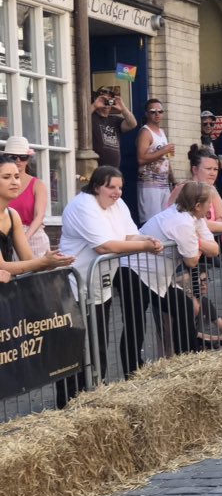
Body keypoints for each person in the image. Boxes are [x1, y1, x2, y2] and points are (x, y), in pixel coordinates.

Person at [57, 165, 163, 399]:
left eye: (120, 188)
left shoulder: (117, 205)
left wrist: (148, 239)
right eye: (111, 187)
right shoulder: (84, 205)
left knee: (100, 341)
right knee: (77, 347)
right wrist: (145, 247)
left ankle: (97, 391)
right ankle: (71, 400)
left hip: (101, 283)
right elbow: (105, 246)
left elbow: (128, 235)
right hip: (75, 285)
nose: (116, 192)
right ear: (96, 187)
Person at [117, 181, 219, 376]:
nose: (210, 208)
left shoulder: (194, 219)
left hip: (158, 277)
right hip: (133, 272)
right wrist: (198, 245)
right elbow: (191, 261)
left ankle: (188, 360)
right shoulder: (181, 222)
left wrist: (196, 242)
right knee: (135, 323)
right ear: (198, 205)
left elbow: (214, 249)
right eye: (209, 204)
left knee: (184, 306)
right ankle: (133, 374)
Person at [0, 155, 73, 278]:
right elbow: (2, 266)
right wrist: (43, 261)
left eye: (17, 177)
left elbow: (28, 259)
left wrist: (50, 263)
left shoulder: (12, 215)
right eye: (6, 177)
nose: (14, 182)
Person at [167, 145, 222, 236]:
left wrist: (219, 224)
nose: (213, 173)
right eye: (208, 169)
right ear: (195, 169)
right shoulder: (183, 189)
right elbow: (193, 224)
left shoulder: (211, 189)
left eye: (215, 169)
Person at [3, 136, 50, 256]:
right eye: (13, 157)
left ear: (28, 159)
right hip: (6, 234)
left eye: (23, 157)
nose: (18, 160)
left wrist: (24, 238)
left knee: (36, 271)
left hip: (33, 235)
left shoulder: (37, 184)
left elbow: (39, 216)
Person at [136, 98, 175, 223]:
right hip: (149, 185)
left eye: (160, 111)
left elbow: (167, 159)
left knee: (165, 221)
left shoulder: (162, 132)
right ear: (147, 114)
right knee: (152, 222)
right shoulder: (145, 132)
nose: (157, 114)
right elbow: (141, 159)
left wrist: (172, 179)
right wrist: (163, 150)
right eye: (153, 111)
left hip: (164, 184)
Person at [90, 87, 137, 168]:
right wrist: (94, 105)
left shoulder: (115, 120)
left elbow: (132, 124)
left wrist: (123, 108)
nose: (106, 102)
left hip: (114, 169)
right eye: (104, 99)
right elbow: (82, 120)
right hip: (97, 168)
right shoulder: (91, 117)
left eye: (109, 100)